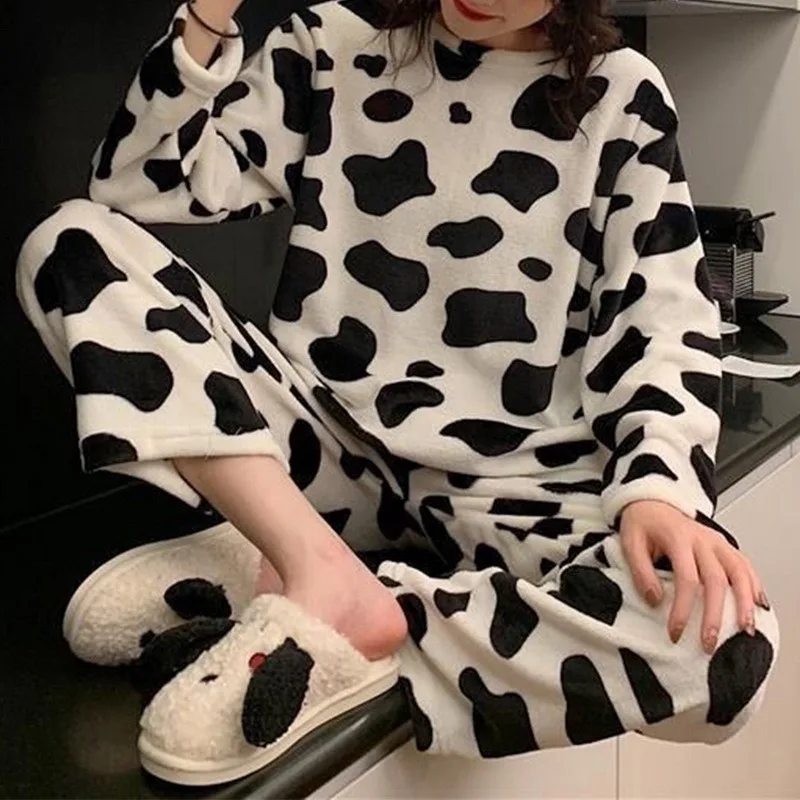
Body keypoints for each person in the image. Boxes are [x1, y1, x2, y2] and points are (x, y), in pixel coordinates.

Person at [17, 0, 778, 785]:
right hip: (321, 451)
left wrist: (659, 491)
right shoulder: (331, 48)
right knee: (68, 246)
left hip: (513, 488)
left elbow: (662, 319)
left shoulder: (619, 94)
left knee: (726, 646)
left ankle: (319, 593)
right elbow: (130, 186)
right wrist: (208, 16)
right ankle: (313, 563)